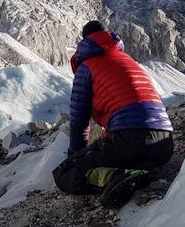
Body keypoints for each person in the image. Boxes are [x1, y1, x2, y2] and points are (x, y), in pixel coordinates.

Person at [53, 20, 174, 209]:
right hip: (165, 145)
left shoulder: (87, 67)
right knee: (129, 152)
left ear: (85, 42)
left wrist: (76, 158)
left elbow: (79, 122)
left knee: (65, 172)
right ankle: (139, 171)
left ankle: (116, 177)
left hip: (131, 139)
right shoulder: (128, 60)